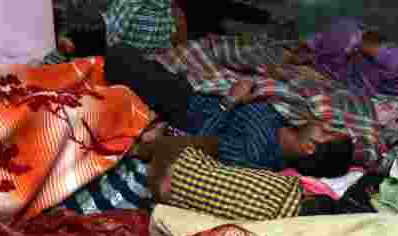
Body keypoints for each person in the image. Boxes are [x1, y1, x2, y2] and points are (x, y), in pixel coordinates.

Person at [105, 45, 354, 174]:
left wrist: (230, 102)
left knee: (119, 56)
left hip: (185, 104)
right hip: (208, 87)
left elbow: (199, 142)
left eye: (327, 133)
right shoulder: (288, 124)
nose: (324, 126)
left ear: (309, 147)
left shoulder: (257, 155)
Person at [133, 137, 357, 223]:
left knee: (210, 145)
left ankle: (138, 149)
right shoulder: (273, 228)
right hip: (170, 195)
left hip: (178, 161)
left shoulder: (289, 183)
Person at [296, 17, 398, 98]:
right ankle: (310, 50)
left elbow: (364, 46)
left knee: (327, 58)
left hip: (352, 73)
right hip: (353, 71)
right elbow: (366, 47)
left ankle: (310, 50)